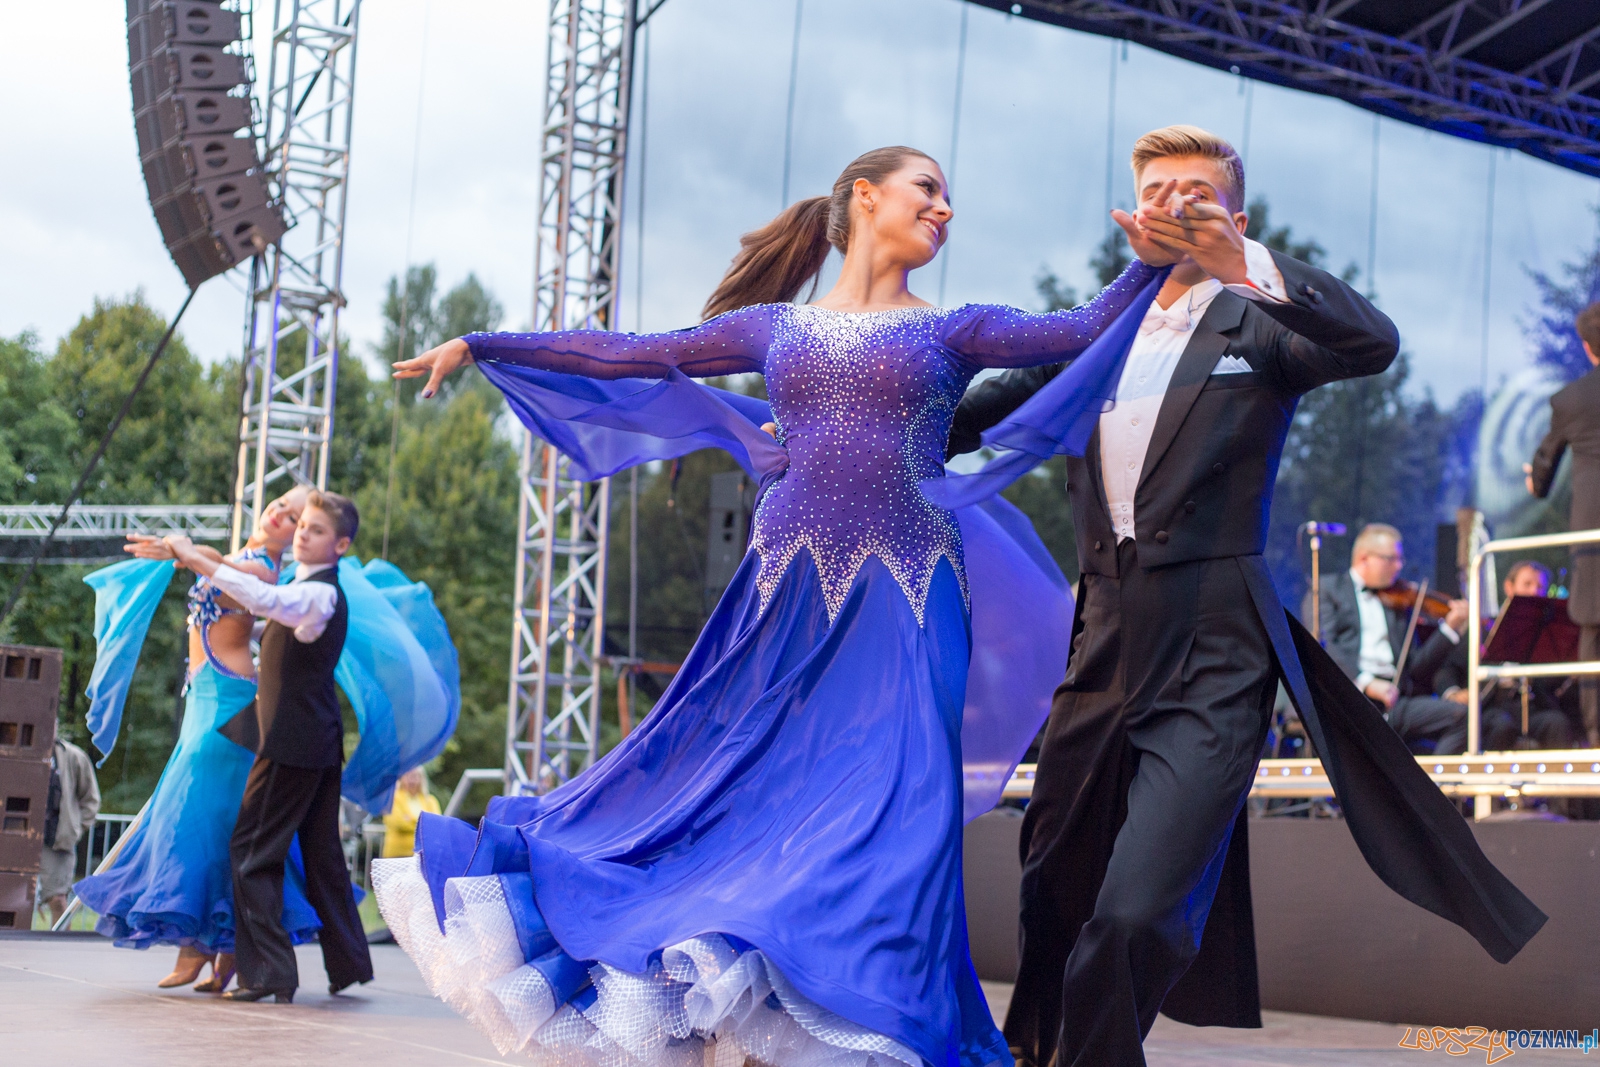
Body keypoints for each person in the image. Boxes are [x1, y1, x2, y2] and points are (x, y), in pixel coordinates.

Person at [375, 145, 1177, 1066]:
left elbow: (1079, 330)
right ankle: (754, 1012)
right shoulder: (773, 326)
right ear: (865, 197)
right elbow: (636, 354)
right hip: (784, 592)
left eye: (950, 199)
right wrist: (485, 346)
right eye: (929, 189)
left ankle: (867, 1028)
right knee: (739, 792)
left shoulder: (957, 327)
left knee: (900, 810)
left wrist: (1151, 258)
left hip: (910, 595)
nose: (945, 209)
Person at [946, 125, 1543, 1067]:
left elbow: (1371, 342)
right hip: (1099, 646)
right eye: (1160, 190)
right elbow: (965, 415)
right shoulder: (1091, 333)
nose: (1178, 203)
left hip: (1215, 651)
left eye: (1200, 190)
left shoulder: (1258, 322)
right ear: (1134, 212)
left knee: (1135, 915)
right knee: (1052, 895)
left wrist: (1246, 264)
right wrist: (834, 419)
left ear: (1236, 214)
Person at [75, 487, 320, 993]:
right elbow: (209, 561)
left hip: (227, 700)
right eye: (279, 504)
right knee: (205, 821)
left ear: (296, 534)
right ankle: (217, 949)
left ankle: (211, 947)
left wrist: (185, 550)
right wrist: (181, 551)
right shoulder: (239, 559)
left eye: (291, 518)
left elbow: (211, 565)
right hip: (205, 695)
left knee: (197, 819)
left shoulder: (263, 572)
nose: (278, 515)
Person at [159, 491, 373, 1004]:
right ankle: (349, 963)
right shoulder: (308, 587)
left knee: (252, 851)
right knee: (320, 854)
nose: (301, 532)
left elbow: (266, 600)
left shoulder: (318, 595)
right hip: (312, 739)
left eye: (316, 529)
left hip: (292, 741)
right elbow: (269, 619)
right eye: (303, 525)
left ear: (340, 545)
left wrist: (194, 557)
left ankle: (270, 972)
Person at [1319, 524, 1470, 754]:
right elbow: (1323, 645)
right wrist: (1366, 683)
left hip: (1395, 700)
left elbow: (1417, 667)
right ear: (1364, 558)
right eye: (1391, 559)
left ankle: (1432, 789)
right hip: (1349, 697)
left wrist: (1449, 629)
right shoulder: (1328, 590)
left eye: (1400, 559)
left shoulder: (1397, 601)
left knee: (1463, 716)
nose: (1399, 566)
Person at [1527, 299, 1600, 748]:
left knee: (1593, 632)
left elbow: (1541, 478)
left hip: (1593, 542)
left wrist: (1532, 481)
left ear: (1587, 347)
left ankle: (1597, 739)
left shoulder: (1570, 400)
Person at [1429, 560, 1575, 751]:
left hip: (1530, 707)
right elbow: (1448, 668)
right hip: (1492, 706)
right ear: (1509, 587)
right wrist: (1453, 692)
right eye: (1527, 584)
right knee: (1501, 726)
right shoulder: (1486, 629)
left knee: (1557, 722)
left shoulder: (1547, 635)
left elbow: (1552, 686)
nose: (1534, 592)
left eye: (1540, 587)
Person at [38, 732, 99, 927]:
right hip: (18, 838)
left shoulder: (72, 756)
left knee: (57, 900)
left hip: (56, 840)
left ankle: (56, 951)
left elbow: (91, 799)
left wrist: (74, 829)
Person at [380, 767, 438, 858]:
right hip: (397, 855)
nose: (412, 781)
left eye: (415, 776)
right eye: (408, 776)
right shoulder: (392, 798)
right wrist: (422, 822)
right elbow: (398, 823)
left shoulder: (430, 801)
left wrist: (409, 820)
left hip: (422, 855)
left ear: (421, 779)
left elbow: (435, 825)